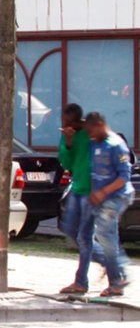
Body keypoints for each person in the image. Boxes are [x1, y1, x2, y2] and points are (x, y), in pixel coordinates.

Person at [85, 111, 133, 296]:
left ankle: (118, 276)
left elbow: (124, 177)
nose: (91, 136)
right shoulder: (95, 143)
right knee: (103, 235)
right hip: (101, 198)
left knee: (105, 234)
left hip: (117, 196)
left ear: (100, 124)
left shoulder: (116, 145)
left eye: (92, 131)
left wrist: (103, 192)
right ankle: (117, 276)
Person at [57, 104, 98, 294]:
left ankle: (81, 281)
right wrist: (68, 142)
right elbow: (66, 163)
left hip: (92, 191)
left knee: (85, 237)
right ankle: (110, 263)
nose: (66, 126)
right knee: (69, 228)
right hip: (78, 188)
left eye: (70, 123)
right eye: (64, 123)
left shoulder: (90, 134)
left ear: (77, 120)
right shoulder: (68, 135)